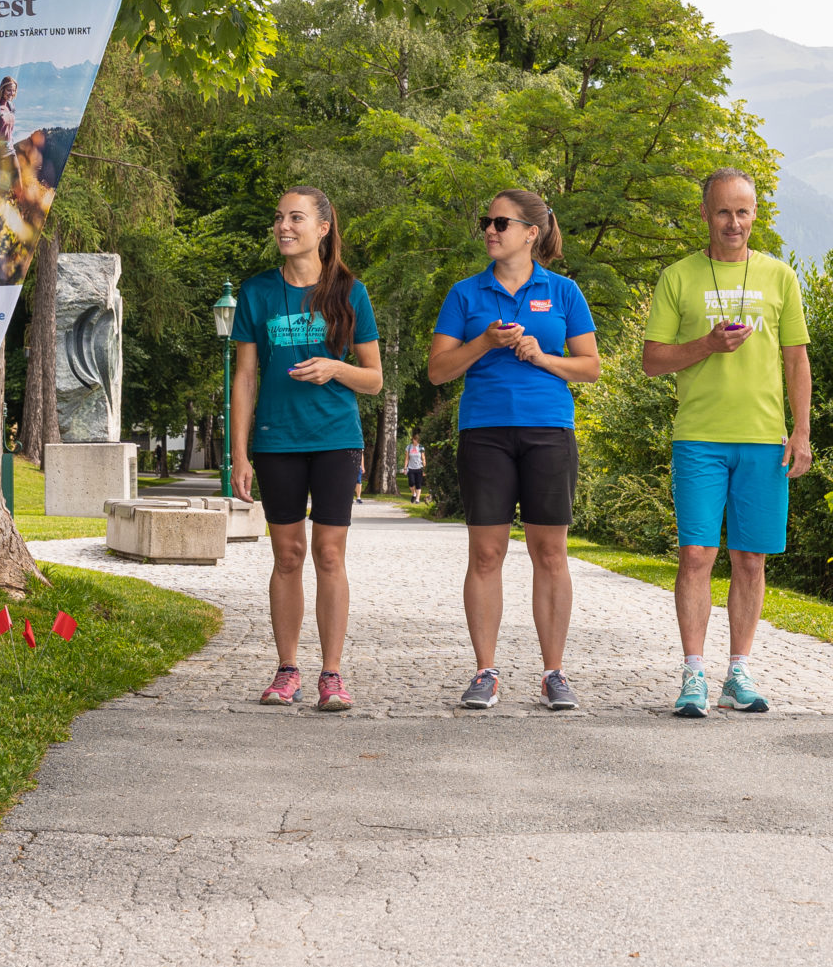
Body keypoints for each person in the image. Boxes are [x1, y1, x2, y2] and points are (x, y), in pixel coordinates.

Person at [641, 168, 811, 717]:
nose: (733, 222)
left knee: (751, 561)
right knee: (696, 554)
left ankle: (739, 670)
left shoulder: (779, 276)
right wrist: (708, 345)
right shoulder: (679, 277)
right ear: (705, 214)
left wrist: (802, 431)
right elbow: (652, 361)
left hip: (764, 439)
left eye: (742, 211)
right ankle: (694, 673)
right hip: (699, 438)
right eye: (722, 211)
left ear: (755, 215)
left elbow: (796, 360)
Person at [427, 188, 600, 710]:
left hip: (549, 429)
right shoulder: (465, 293)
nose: (490, 230)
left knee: (551, 553)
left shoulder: (565, 291)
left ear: (532, 232)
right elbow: (438, 371)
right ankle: (485, 672)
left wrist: (542, 356)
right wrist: (485, 342)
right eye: (487, 221)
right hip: (484, 432)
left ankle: (554, 673)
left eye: (501, 223)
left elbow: (590, 368)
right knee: (486, 554)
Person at [230, 187, 384, 712]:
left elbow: (374, 379)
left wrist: (335, 368)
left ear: (323, 227)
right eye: (278, 217)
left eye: (295, 217)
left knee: (329, 554)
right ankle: (287, 668)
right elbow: (245, 377)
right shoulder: (256, 293)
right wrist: (240, 453)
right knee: (288, 554)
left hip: (336, 439)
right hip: (277, 441)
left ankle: (333, 674)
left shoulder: (349, 293)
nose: (283, 226)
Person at [403, 434, 427, 505]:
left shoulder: (421, 447)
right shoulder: (409, 447)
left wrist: (424, 469)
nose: (415, 441)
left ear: (418, 440)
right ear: (412, 440)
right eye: (414, 439)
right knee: (411, 483)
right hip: (411, 468)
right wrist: (405, 467)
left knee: (418, 484)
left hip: (419, 468)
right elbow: (407, 458)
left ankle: (417, 499)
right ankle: (414, 494)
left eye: (416, 440)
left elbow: (423, 458)